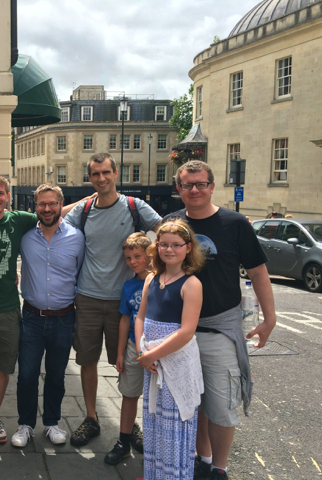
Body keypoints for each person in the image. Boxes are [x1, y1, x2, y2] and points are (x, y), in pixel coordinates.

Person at [0, 173, 80, 450]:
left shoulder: (20, 220)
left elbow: (51, 211)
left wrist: (91, 198)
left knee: (8, 369)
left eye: (1, 193)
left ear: (8, 197)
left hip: (13, 310)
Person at [167, 161, 276, 480]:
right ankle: (202, 459)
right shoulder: (171, 223)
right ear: (179, 189)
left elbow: (258, 272)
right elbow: (156, 271)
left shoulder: (235, 223)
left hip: (219, 329)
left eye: (201, 184)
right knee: (194, 403)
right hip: (178, 331)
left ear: (212, 186)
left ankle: (219, 468)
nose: (194, 190)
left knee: (222, 404)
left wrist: (269, 318)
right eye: (187, 185)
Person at [63, 153, 161, 447]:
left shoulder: (134, 206)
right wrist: (80, 201)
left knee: (129, 363)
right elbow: (54, 219)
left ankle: (130, 424)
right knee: (87, 360)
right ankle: (91, 417)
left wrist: (155, 267)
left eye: (106, 172)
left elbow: (165, 229)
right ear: (89, 178)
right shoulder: (83, 210)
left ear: (116, 173)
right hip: (88, 298)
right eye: (95, 174)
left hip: (127, 302)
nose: (102, 178)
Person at [11, 184, 85, 448]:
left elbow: (80, 272)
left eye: (52, 203)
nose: (47, 208)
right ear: (35, 207)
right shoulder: (25, 236)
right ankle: (26, 424)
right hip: (31, 317)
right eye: (42, 204)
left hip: (64, 318)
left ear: (61, 204)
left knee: (56, 375)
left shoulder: (77, 237)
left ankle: (52, 422)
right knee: (27, 375)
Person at [135, 220, 205, 479]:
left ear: (188, 248)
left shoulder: (191, 284)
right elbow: (140, 317)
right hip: (152, 365)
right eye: (163, 244)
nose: (169, 250)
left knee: (174, 424)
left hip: (175, 367)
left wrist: (152, 355)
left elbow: (186, 331)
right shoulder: (151, 278)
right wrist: (142, 352)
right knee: (155, 422)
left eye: (176, 245)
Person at [103, 232, 151, 465]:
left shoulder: (163, 281)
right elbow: (124, 319)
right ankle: (124, 441)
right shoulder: (129, 286)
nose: (132, 262)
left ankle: (157, 442)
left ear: (149, 255)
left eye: (137, 256)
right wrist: (120, 352)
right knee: (129, 394)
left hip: (158, 347)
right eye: (128, 258)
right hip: (133, 345)